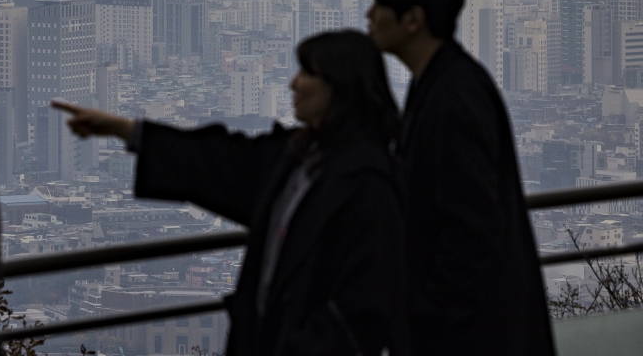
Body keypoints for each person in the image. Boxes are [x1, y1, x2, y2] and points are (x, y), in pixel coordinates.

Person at [56, 30, 406, 356]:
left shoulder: (368, 186)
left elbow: (366, 308)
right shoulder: (295, 157)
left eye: (308, 74)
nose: (293, 83)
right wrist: (126, 130)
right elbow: (217, 159)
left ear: (340, 88)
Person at [365, 0, 554, 356]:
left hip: (471, 336)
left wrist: (425, 317)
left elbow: (472, 231)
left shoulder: (454, 99)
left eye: (379, 4)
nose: (370, 16)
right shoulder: (437, 84)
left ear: (413, 20)